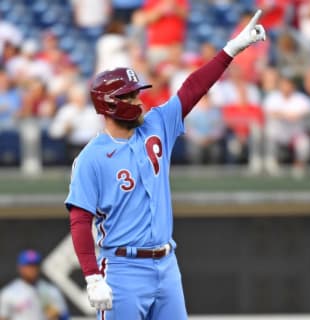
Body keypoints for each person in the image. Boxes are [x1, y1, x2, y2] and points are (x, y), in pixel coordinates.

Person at [66, 10, 266, 320]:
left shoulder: (157, 124)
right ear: (110, 104)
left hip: (166, 262)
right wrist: (92, 277)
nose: (139, 101)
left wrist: (231, 49)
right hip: (122, 269)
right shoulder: (91, 158)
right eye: (130, 97)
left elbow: (192, 89)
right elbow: (80, 221)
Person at [0, 249, 69, 320]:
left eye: (35, 265)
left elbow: (63, 316)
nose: (32, 269)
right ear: (20, 268)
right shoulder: (9, 293)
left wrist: (56, 316)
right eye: (28, 266)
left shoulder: (50, 290)